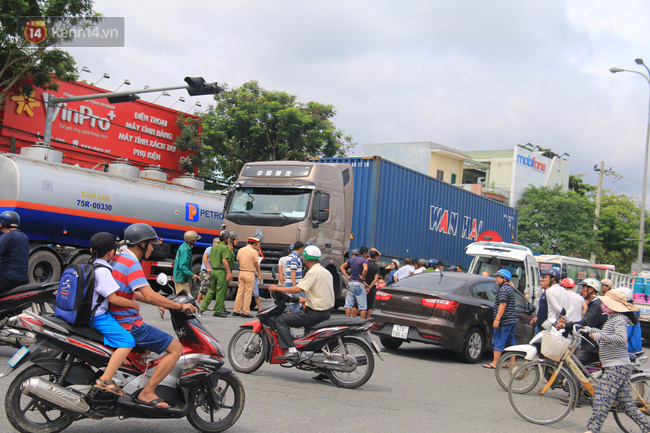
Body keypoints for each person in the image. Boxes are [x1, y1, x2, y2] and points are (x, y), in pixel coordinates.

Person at [110, 223, 197, 408]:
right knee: (175, 349)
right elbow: (148, 294)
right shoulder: (132, 263)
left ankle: (130, 381)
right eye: (150, 244)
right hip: (128, 324)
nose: (152, 248)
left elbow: (136, 294)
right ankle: (147, 392)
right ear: (141, 244)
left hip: (113, 319)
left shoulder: (119, 258)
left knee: (148, 350)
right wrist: (179, 307)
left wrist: (163, 301)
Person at [584, 289, 650, 433]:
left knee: (601, 398)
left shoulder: (619, 319)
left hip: (617, 367)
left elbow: (621, 340)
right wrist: (589, 329)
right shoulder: (613, 319)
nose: (603, 305)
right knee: (627, 406)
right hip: (618, 366)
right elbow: (606, 334)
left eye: (606, 303)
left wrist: (598, 337)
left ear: (613, 306)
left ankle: (592, 430)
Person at [87, 232, 137, 396]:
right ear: (111, 253)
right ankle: (106, 380)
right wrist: (134, 304)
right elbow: (114, 298)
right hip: (98, 317)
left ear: (91, 250)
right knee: (128, 341)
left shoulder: (90, 265)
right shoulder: (104, 271)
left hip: (86, 314)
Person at [270, 245, 334, 362]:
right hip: (325, 312)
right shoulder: (326, 272)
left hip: (315, 313)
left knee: (281, 321)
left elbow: (298, 289)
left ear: (306, 260)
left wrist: (278, 288)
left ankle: (292, 351)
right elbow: (320, 291)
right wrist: (304, 299)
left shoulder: (313, 272)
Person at [558, 278, 606, 366]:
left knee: (573, 366)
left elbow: (585, 323)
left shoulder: (596, 305)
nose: (582, 290)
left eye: (584, 287)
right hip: (588, 343)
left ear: (591, 289)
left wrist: (566, 325)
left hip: (591, 346)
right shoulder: (595, 303)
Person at [483, 269, 517, 369]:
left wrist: (497, 319)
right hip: (511, 320)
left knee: (499, 341)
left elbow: (502, 304)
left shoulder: (503, 290)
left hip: (504, 321)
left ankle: (494, 363)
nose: (496, 279)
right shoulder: (510, 288)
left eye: (498, 277)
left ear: (504, 279)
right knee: (511, 342)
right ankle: (512, 363)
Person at [201, 230, 233, 317]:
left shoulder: (214, 247)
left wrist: (213, 266)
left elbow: (210, 259)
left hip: (214, 270)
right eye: (229, 238)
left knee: (211, 290)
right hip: (221, 271)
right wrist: (228, 272)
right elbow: (224, 260)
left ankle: (202, 308)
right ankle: (217, 311)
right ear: (225, 239)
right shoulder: (225, 248)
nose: (229, 240)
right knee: (220, 291)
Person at [232, 237, 262, 318]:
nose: (258, 246)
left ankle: (236, 310)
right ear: (254, 244)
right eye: (258, 245)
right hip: (250, 273)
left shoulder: (240, 250)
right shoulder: (253, 252)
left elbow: (238, 260)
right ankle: (245, 311)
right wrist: (259, 273)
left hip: (241, 272)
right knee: (248, 293)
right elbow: (256, 263)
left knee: (240, 292)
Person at [0, 210, 29, 292]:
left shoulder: (7, 236)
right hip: (23, 278)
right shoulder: (24, 236)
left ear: (1, 224)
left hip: (9, 278)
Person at [340, 246, 369, 318]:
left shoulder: (352, 259)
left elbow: (341, 267)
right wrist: (363, 277)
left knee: (348, 305)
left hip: (351, 283)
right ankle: (362, 322)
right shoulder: (363, 260)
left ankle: (347, 320)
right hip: (359, 283)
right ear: (364, 253)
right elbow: (365, 269)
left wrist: (347, 276)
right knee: (362, 306)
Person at [196, 237, 218, 308]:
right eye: (216, 243)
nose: (217, 244)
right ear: (213, 243)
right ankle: (197, 303)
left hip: (211, 271)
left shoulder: (217, 250)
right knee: (203, 288)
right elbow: (204, 257)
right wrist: (208, 267)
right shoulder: (210, 249)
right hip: (206, 271)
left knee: (207, 289)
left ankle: (204, 305)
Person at [284, 241, 305, 314]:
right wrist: (294, 285)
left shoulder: (290, 257)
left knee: (294, 303)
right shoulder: (295, 258)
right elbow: (293, 271)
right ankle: (295, 319)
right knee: (297, 302)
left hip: (289, 284)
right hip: (294, 285)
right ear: (300, 248)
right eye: (303, 249)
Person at [364, 250, 380, 318]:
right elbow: (375, 279)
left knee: (363, 305)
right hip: (372, 288)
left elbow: (361, 275)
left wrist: (364, 283)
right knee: (370, 305)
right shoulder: (376, 267)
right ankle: (367, 319)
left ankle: (361, 319)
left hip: (363, 286)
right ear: (376, 257)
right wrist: (369, 287)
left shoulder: (365, 263)